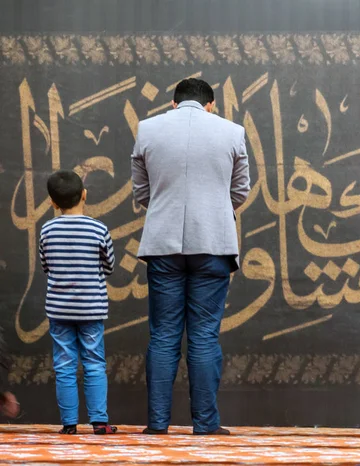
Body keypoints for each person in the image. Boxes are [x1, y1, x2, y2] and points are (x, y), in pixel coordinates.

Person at [131, 78, 250, 435]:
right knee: (204, 335)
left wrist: (168, 212)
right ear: (211, 104)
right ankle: (205, 424)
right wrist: (212, 212)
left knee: (164, 335)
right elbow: (240, 190)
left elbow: (141, 191)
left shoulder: (147, 129)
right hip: (213, 243)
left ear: (173, 102)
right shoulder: (232, 131)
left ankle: (157, 425)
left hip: (163, 244)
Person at [39, 170, 117, 435]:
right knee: (94, 361)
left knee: (64, 364)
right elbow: (110, 266)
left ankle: (69, 424)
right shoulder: (98, 228)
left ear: (53, 202)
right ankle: (99, 422)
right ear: (84, 195)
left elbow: (46, 266)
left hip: (59, 309)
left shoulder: (47, 229)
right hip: (91, 308)